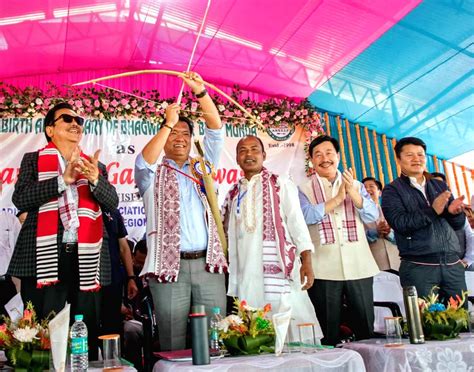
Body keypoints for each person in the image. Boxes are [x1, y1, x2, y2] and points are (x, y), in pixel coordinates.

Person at [8, 102, 119, 359]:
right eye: (67, 119)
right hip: (44, 257)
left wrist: (94, 179)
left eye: (79, 120)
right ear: (50, 129)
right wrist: (62, 180)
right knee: (43, 331)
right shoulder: (33, 160)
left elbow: (112, 202)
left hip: (86, 257)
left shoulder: (94, 165)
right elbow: (21, 199)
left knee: (86, 329)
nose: (75, 124)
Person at [134, 72, 227, 351]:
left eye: (185, 134)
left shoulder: (203, 168)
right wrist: (168, 123)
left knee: (217, 337)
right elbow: (142, 162)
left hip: (208, 265)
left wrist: (200, 92)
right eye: (174, 134)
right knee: (172, 341)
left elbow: (216, 129)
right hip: (167, 269)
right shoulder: (152, 174)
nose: (180, 138)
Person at [222, 136, 322, 340]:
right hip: (246, 273)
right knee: (254, 329)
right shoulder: (233, 193)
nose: (249, 154)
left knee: (291, 323)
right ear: (237, 159)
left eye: (254, 149)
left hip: (278, 270)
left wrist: (307, 261)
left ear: (264, 155)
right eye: (243, 150)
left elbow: (297, 223)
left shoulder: (281, 183)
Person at [299, 135, 379, 346]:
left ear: (338, 156)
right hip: (323, 268)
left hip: (359, 265)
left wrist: (352, 192)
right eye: (318, 155)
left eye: (329, 153)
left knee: (365, 331)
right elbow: (307, 217)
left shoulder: (357, 185)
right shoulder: (302, 188)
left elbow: (372, 216)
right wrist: (336, 200)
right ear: (312, 161)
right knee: (328, 333)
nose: (324, 158)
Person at [381, 137, 466, 302]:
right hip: (419, 267)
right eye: (410, 155)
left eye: (420, 154)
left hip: (452, 265)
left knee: (460, 322)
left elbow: (458, 226)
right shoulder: (391, 190)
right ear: (398, 159)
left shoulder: (439, 186)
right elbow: (400, 223)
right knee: (425, 324)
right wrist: (432, 210)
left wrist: (454, 213)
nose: (416, 159)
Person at [101, 209, 138, 336]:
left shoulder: (112, 210)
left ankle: (113, 355)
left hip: (113, 279)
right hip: (87, 281)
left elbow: (123, 248)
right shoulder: (78, 208)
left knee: (112, 327)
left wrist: (131, 278)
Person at [430, 172, 473, 272]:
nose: (438, 189)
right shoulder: (424, 214)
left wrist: (467, 260)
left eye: (441, 185)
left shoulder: (457, 212)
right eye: (434, 185)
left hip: (462, 264)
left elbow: (470, 237)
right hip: (435, 268)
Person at [362, 177, 400, 272]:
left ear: (379, 192)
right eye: (363, 188)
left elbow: (404, 235)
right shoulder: (357, 214)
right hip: (373, 262)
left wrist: (389, 233)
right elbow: (358, 238)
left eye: (371, 186)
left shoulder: (391, 211)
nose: (367, 189)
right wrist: (375, 232)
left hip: (397, 261)